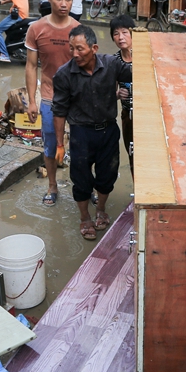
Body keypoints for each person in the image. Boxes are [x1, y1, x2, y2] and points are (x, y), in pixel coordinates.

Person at [52, 25, 132, 241]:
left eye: (80, 49)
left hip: (108, 130)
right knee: (81, 179)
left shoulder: (111, 64)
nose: (75, 54)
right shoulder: (64, 74)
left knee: (108, 175)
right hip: (81, 134)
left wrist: (134, 45)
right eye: (72, 49)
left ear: (94, 47)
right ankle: (85, 217)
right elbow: (59, 112)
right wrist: (59, 144)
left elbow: (136, 71)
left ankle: (101, 209)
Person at [25, 0, 81, 206]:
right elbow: (30, 66)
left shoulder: (79, 30)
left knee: (82, 145)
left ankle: (84, 186)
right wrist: (31, 101)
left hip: (77, 99)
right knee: (50, 145)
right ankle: (52, 185)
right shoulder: (36, 29)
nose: (63, 4)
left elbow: (88, 67)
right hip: (49, 98)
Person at [111, 13, 135, 175]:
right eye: (116, 33)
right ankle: (136, 195)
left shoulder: (145, 55)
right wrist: (118, 94)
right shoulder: (113, 61)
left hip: (148, 115)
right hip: (128, 115)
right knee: (132, 154)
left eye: (125, 32)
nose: (121, 37)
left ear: (133, 33)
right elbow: (109, 93)